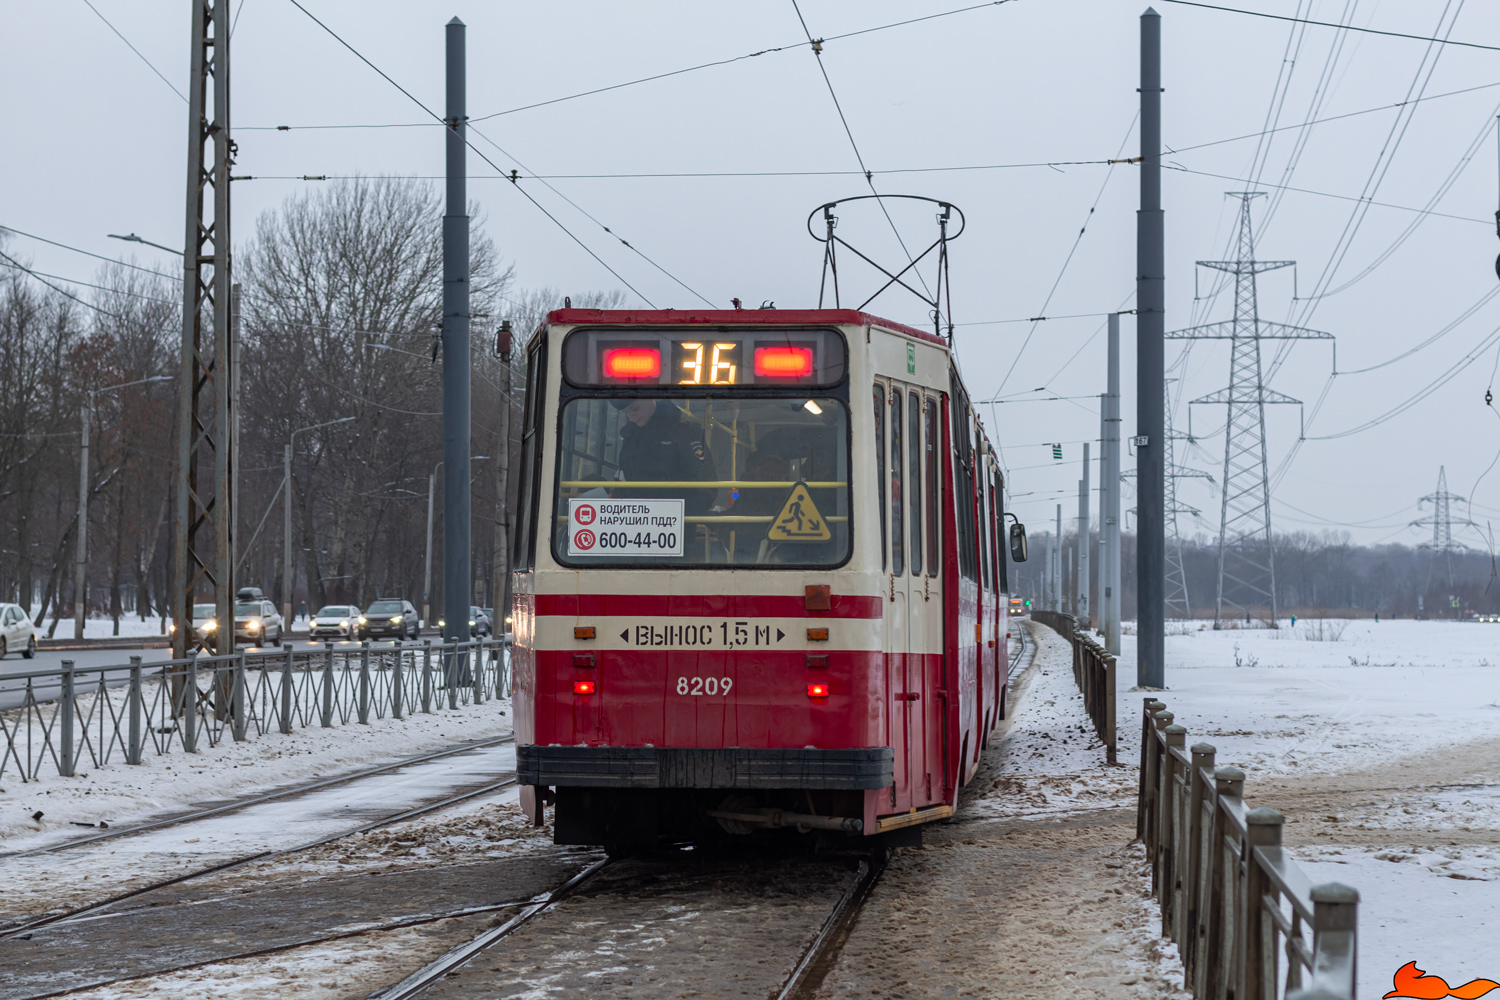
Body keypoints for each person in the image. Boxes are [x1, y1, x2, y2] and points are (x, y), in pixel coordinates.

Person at [614, 399, 716, 514]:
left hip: (673, 523)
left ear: (652, 399)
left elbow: (706, 487)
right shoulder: (631, 438)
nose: (632, 417)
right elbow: (623, 480)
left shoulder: (686, 432)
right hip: (636, 521)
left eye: (635, 408)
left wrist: (673, 515)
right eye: (626, 412)